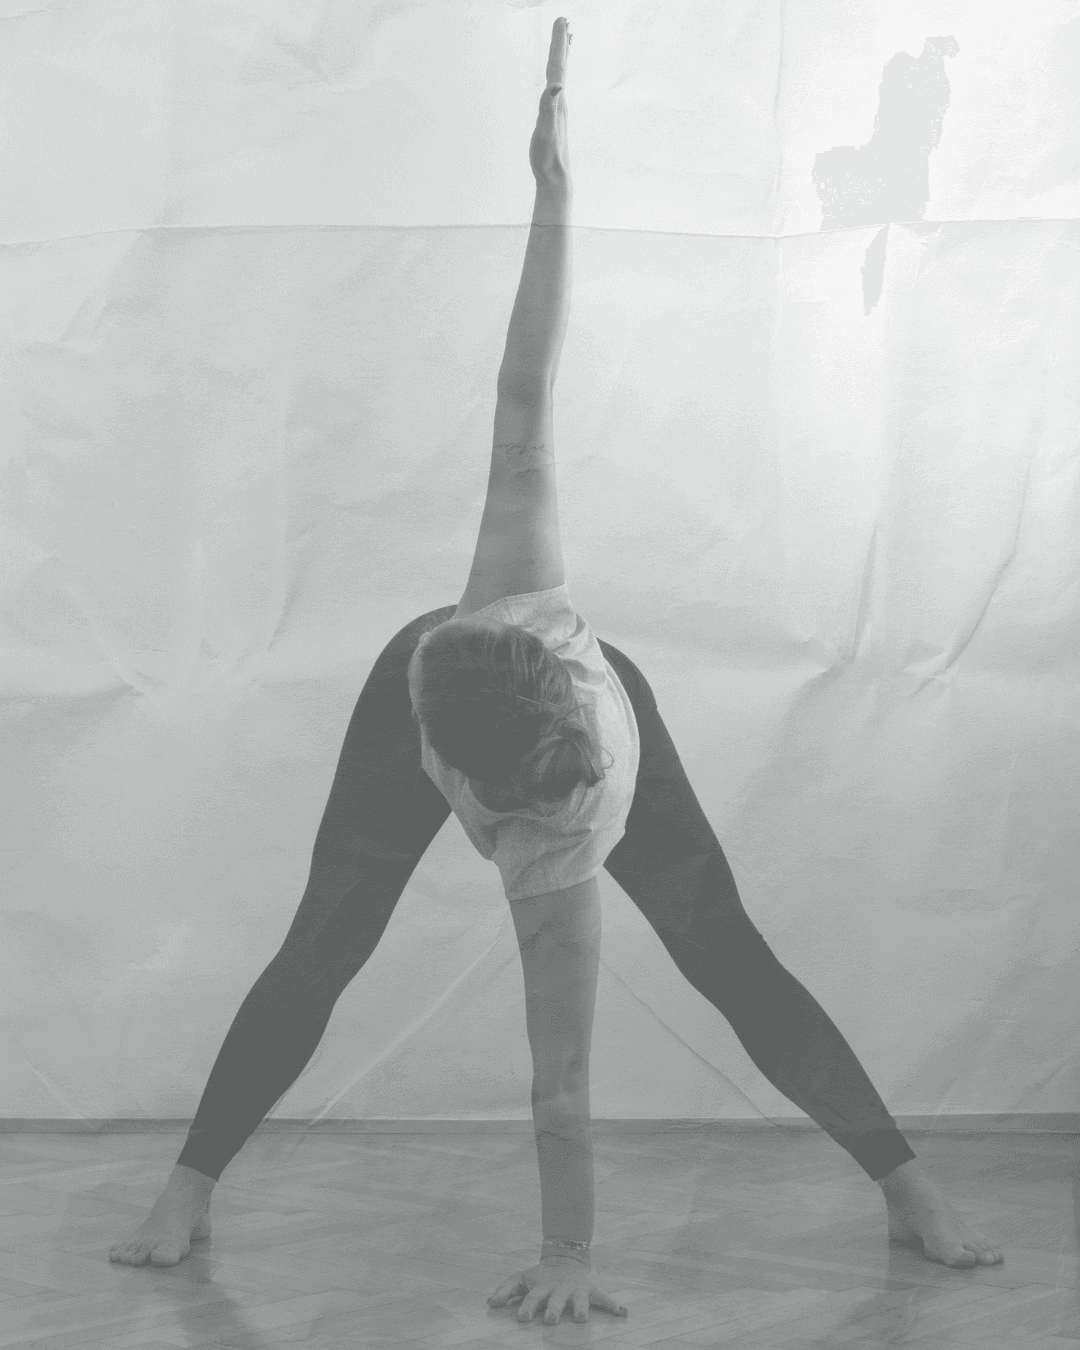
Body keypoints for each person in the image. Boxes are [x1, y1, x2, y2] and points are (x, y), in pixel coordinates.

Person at [109, 16, 1002, 1326]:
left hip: (558, 755)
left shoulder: (554, 855)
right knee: (328, 937)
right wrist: (555, 195)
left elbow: (561, 1081)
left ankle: (907, 1181)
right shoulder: (515, 591)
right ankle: (191, 1179)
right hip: (481, 683)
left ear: (483, 793)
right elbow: (526, 383)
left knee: (718, 941)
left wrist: (572, 1252)